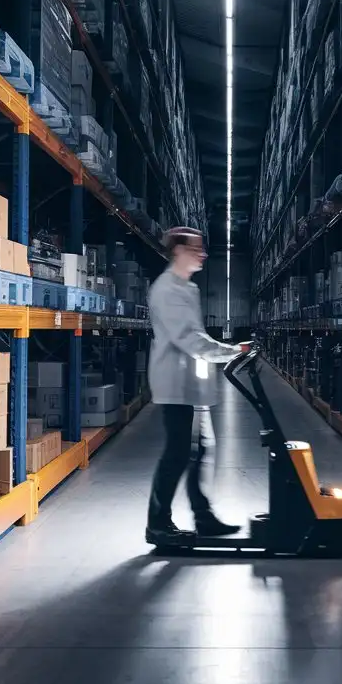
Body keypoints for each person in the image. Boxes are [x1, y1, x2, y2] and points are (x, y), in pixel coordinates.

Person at [146, 227, 243, 543]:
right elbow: (189, 339)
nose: (203, 254)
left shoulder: (187, 288)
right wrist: (230, 351)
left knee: (201, 450)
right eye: (196, 248)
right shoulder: (167, 290)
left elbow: (194, 338)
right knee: (177, 454)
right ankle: (158, 524)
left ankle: (204, 518)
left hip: (191, 384)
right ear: (177, 250)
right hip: (175, 385)